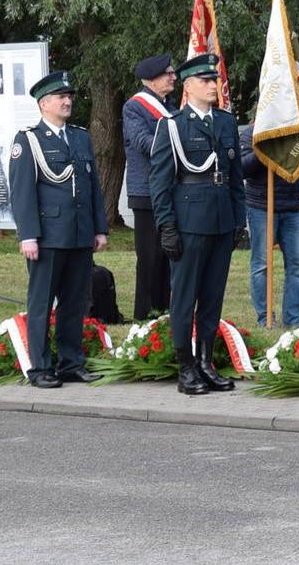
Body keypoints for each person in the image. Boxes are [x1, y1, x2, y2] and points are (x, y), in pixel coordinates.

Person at [149, 54, 242, 395]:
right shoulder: (172, 125)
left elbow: (234, 179)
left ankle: (205, 362)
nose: (213, 85)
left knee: (213, 297)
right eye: (205, 80)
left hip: (220, 221)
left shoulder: (225, 123)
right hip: (189, 223)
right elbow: (160, 183)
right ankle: (186, 366)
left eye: (214, 80)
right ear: (188, 86)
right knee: (185, 299)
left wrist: (238, 220)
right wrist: (167, 227)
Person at [11, 71, 107, 388]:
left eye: (69, 96)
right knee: (41, 304)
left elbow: (93, 186)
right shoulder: (29, 140)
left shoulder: (79, 136)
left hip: (79, 234)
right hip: (48, 236)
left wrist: (99, 228)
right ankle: (39, 367)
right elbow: (22, 192)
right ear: (44, 103)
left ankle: (70, 362)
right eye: (60, 97)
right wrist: (28, 235)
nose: (67, 102)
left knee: (74, 302)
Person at [122, 54, 177, 320]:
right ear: (152, 79)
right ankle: (144, 314)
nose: (174, 77)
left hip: (172, 189)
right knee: (149, 257)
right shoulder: (134, 107)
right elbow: (145, 143)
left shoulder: (171, 106)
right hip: (146, 192)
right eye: (168, 73)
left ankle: (166, 311)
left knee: (170, 254)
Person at [240, 122, 299, 328]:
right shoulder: (252, 133)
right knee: (261, 265)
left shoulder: (296, 130)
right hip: (262, 206)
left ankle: (293, 320)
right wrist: (264, 151)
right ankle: (265, 318)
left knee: (297, 266)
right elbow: (242, 168)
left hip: (292, 206)